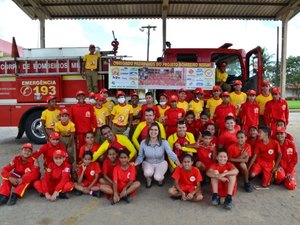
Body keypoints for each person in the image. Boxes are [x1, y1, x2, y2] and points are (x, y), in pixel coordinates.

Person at [134, 122, 181, 188]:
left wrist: (178, 163)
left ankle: (160, 179)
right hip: (148, 162)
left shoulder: (164, 142)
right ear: (148, 131)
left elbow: (170, 153)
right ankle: (149, 179)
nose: (153, 131)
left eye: (155, 130)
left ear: (159, 132)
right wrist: (135, 163)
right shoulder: (143, 142)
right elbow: (140, 156)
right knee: (147, 173)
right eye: (151, 130)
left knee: (158, 177)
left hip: (161, 163)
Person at [70, 90, 97, 159]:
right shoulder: (73, 107)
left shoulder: (89, 107)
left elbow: (93, 119)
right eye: (79, 96)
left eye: (82, 96)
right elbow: (71, 120)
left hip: (88, 133)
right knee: (79, 149)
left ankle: (89, 162)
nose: (81, 97)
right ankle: (79, 164)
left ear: (85, 97)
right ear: (76, 98)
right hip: (79, 133)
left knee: (90, 148)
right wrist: (73, 131)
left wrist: (94, 130)